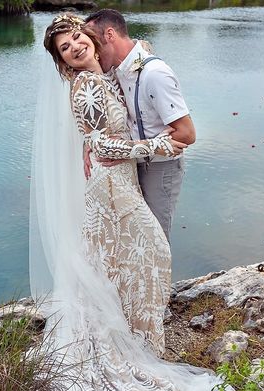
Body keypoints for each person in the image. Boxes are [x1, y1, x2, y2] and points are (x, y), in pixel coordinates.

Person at [27, 14, 229, 391]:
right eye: (64, 47)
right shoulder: (87, 85)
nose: (75, 46)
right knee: (150, 253)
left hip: (117, 182)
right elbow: (100, 142)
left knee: (124, 258)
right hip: (112, 185)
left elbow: (101, 134)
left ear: (94, 36)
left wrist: (123, 145)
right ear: (61, 61)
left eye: (77, 36)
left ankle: (138, 336)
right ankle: (136, 343)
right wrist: (153, 146)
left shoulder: (107, 75)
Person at [84, 9, 196, 242]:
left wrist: (130, 150)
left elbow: (187, 134)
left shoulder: (155, 74)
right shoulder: (118, 71)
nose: (93, 53)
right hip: (135, 167)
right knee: (136, 240)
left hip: (160, 170)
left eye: (95, 43)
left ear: (110, 35)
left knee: (156, 240)